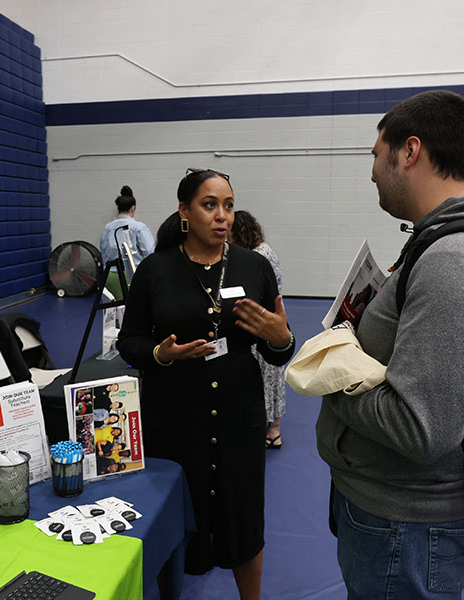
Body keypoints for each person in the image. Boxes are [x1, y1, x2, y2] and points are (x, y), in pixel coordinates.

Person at [315, 90, 464, 599]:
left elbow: (421, 428)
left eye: (376, 155)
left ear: (409, 151)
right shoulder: (450, 240)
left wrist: (331, 378)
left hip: (406, 528)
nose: (372, 172)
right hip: (401, 519)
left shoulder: (457, 260)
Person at [117, 168, 295, 599]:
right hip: (174, 419)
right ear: (184, 211)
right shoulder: (155, 271)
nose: (222, 216)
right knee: (175, 519)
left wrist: (282, 338)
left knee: (243, 520)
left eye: (229, 206)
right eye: (209, 205)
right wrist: (162, 354)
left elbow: (276, 351)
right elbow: (129, 341)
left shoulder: (254, 267)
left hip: (239, 417)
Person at [230, 210, 288, 450]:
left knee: (270, 377)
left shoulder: (258, 257)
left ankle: (273, 430)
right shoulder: (262, 251)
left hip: (266, 322)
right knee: (271, 377)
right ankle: (272, 428)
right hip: (267, 320)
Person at [100, 185, 156, 298]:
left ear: (118, 209)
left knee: (113, 306)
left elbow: (104, 253)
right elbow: (150, 254)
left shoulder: (107, 228)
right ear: (133, 208)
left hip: (109, 277)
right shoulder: (139, 227)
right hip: (132, 277)